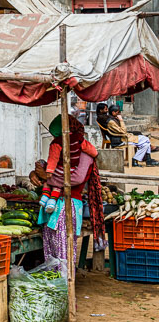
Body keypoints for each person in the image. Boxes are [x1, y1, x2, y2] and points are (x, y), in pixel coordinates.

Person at [33, 115, 106, 269]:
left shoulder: (84, 153)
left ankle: (64, 279)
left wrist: (47, 178)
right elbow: (52, 169)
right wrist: (36, 174)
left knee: (63, 248)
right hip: (52, 204)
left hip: (67, 204)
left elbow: (76, 178)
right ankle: (54, 277)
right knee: (51, 247)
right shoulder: (61, 148)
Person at [39, 116, 98, 213]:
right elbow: (94, 152)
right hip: (69, 174)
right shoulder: (79, 140)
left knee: (48, 182)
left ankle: (46, 197)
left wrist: (47, 176)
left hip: (69, 203)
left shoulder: (57, 143)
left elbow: (53, 159)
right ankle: (50, 200)